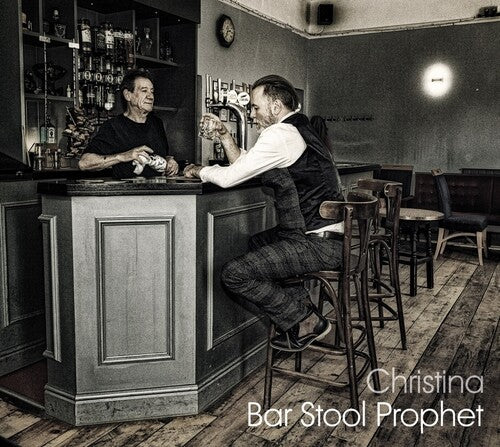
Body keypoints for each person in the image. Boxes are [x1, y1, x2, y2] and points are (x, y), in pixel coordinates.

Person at [184, 75, 345, 351]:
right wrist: (224, 135)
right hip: (329, 238)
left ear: (275, 106)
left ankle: (306, 320)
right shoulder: (298, 127)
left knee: (234, 274)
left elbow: (229, 177)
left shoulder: (280, 134)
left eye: (256, 107)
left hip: (316, 243)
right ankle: (303, 316)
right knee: (258, 242)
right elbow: (246, 165)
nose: (252, 114)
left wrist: (198, 170)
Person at [79, 69, 178, 178]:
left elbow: (162, 155)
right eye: (144, 91)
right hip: (126, 189)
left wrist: (169, 161)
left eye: (152, 91)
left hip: (158, 188)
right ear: (127, 95)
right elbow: (84, 163)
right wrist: (122, 156)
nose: (150, 96)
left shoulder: (157, 123)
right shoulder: (113, 127)